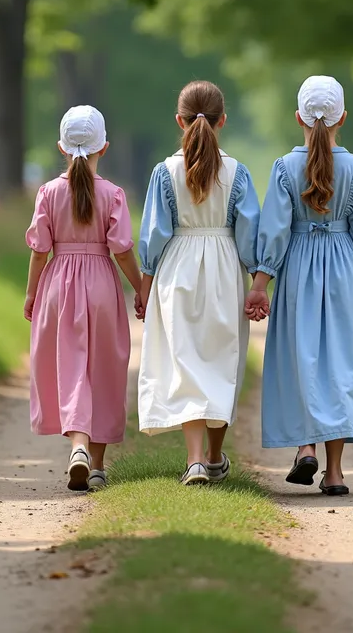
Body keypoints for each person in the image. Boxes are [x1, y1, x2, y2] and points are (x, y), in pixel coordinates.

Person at [245, 76, 353, 495]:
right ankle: (334, 472)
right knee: (340, 365)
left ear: (298, 118)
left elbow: (275, 231)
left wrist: (260, 283)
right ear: (342, 118)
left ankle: (305, 446)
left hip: (298, 270)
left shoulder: (284, 168)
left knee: (302, 358)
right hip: (346, 269)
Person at [138, 80, 261, 485]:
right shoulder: (237, 172)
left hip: (178, 268)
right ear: (223, 120)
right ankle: (214, 455)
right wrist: (257, 279)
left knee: (185, 360)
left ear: (180, 120)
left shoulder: (164, 172)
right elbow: (250, 233)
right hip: (224, 268)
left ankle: (193, 460)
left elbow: (155, 233)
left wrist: (145, 284)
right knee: (222, 361)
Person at [24, 105, 143, 492]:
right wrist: (141, 288)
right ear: (103, 148)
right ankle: (96, 462)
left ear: (61, 147)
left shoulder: (48, 192)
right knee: (104, 367)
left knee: (70, 365)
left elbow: (39, 251)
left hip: (59, 285)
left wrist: (31, 293)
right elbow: (122, 250)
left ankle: (77, 444)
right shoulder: (113, 194)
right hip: (101, 286)